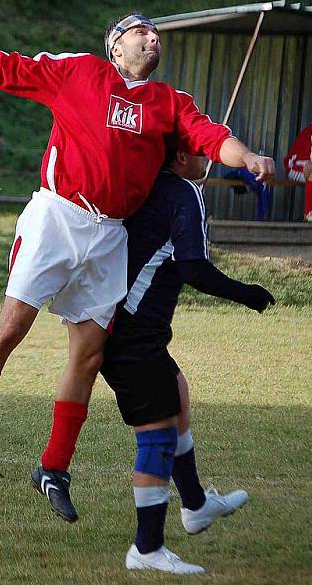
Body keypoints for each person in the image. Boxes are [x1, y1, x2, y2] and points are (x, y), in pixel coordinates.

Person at [0, 13, 275, 523]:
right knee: (12, 326)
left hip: (110, 235)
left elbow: (213, 139)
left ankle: (53, 468)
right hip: (58, 215)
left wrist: (248, 156)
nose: (152, 40)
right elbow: (10, 69)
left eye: (157, 37)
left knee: (87, 354)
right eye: (142, 33)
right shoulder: (80, 72)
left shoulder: (171, 103)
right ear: (115, 46)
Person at [100, 148, 275, 574]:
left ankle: (195, 505)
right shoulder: (183, 192)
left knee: (176, 396)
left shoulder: (147, 184)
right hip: (132, 337)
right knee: (157, 437)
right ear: (180, 156)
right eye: (200, 151)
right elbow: (193, 269)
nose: (207, 158)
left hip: (119, 326)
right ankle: (146, 549)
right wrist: (247, 293)